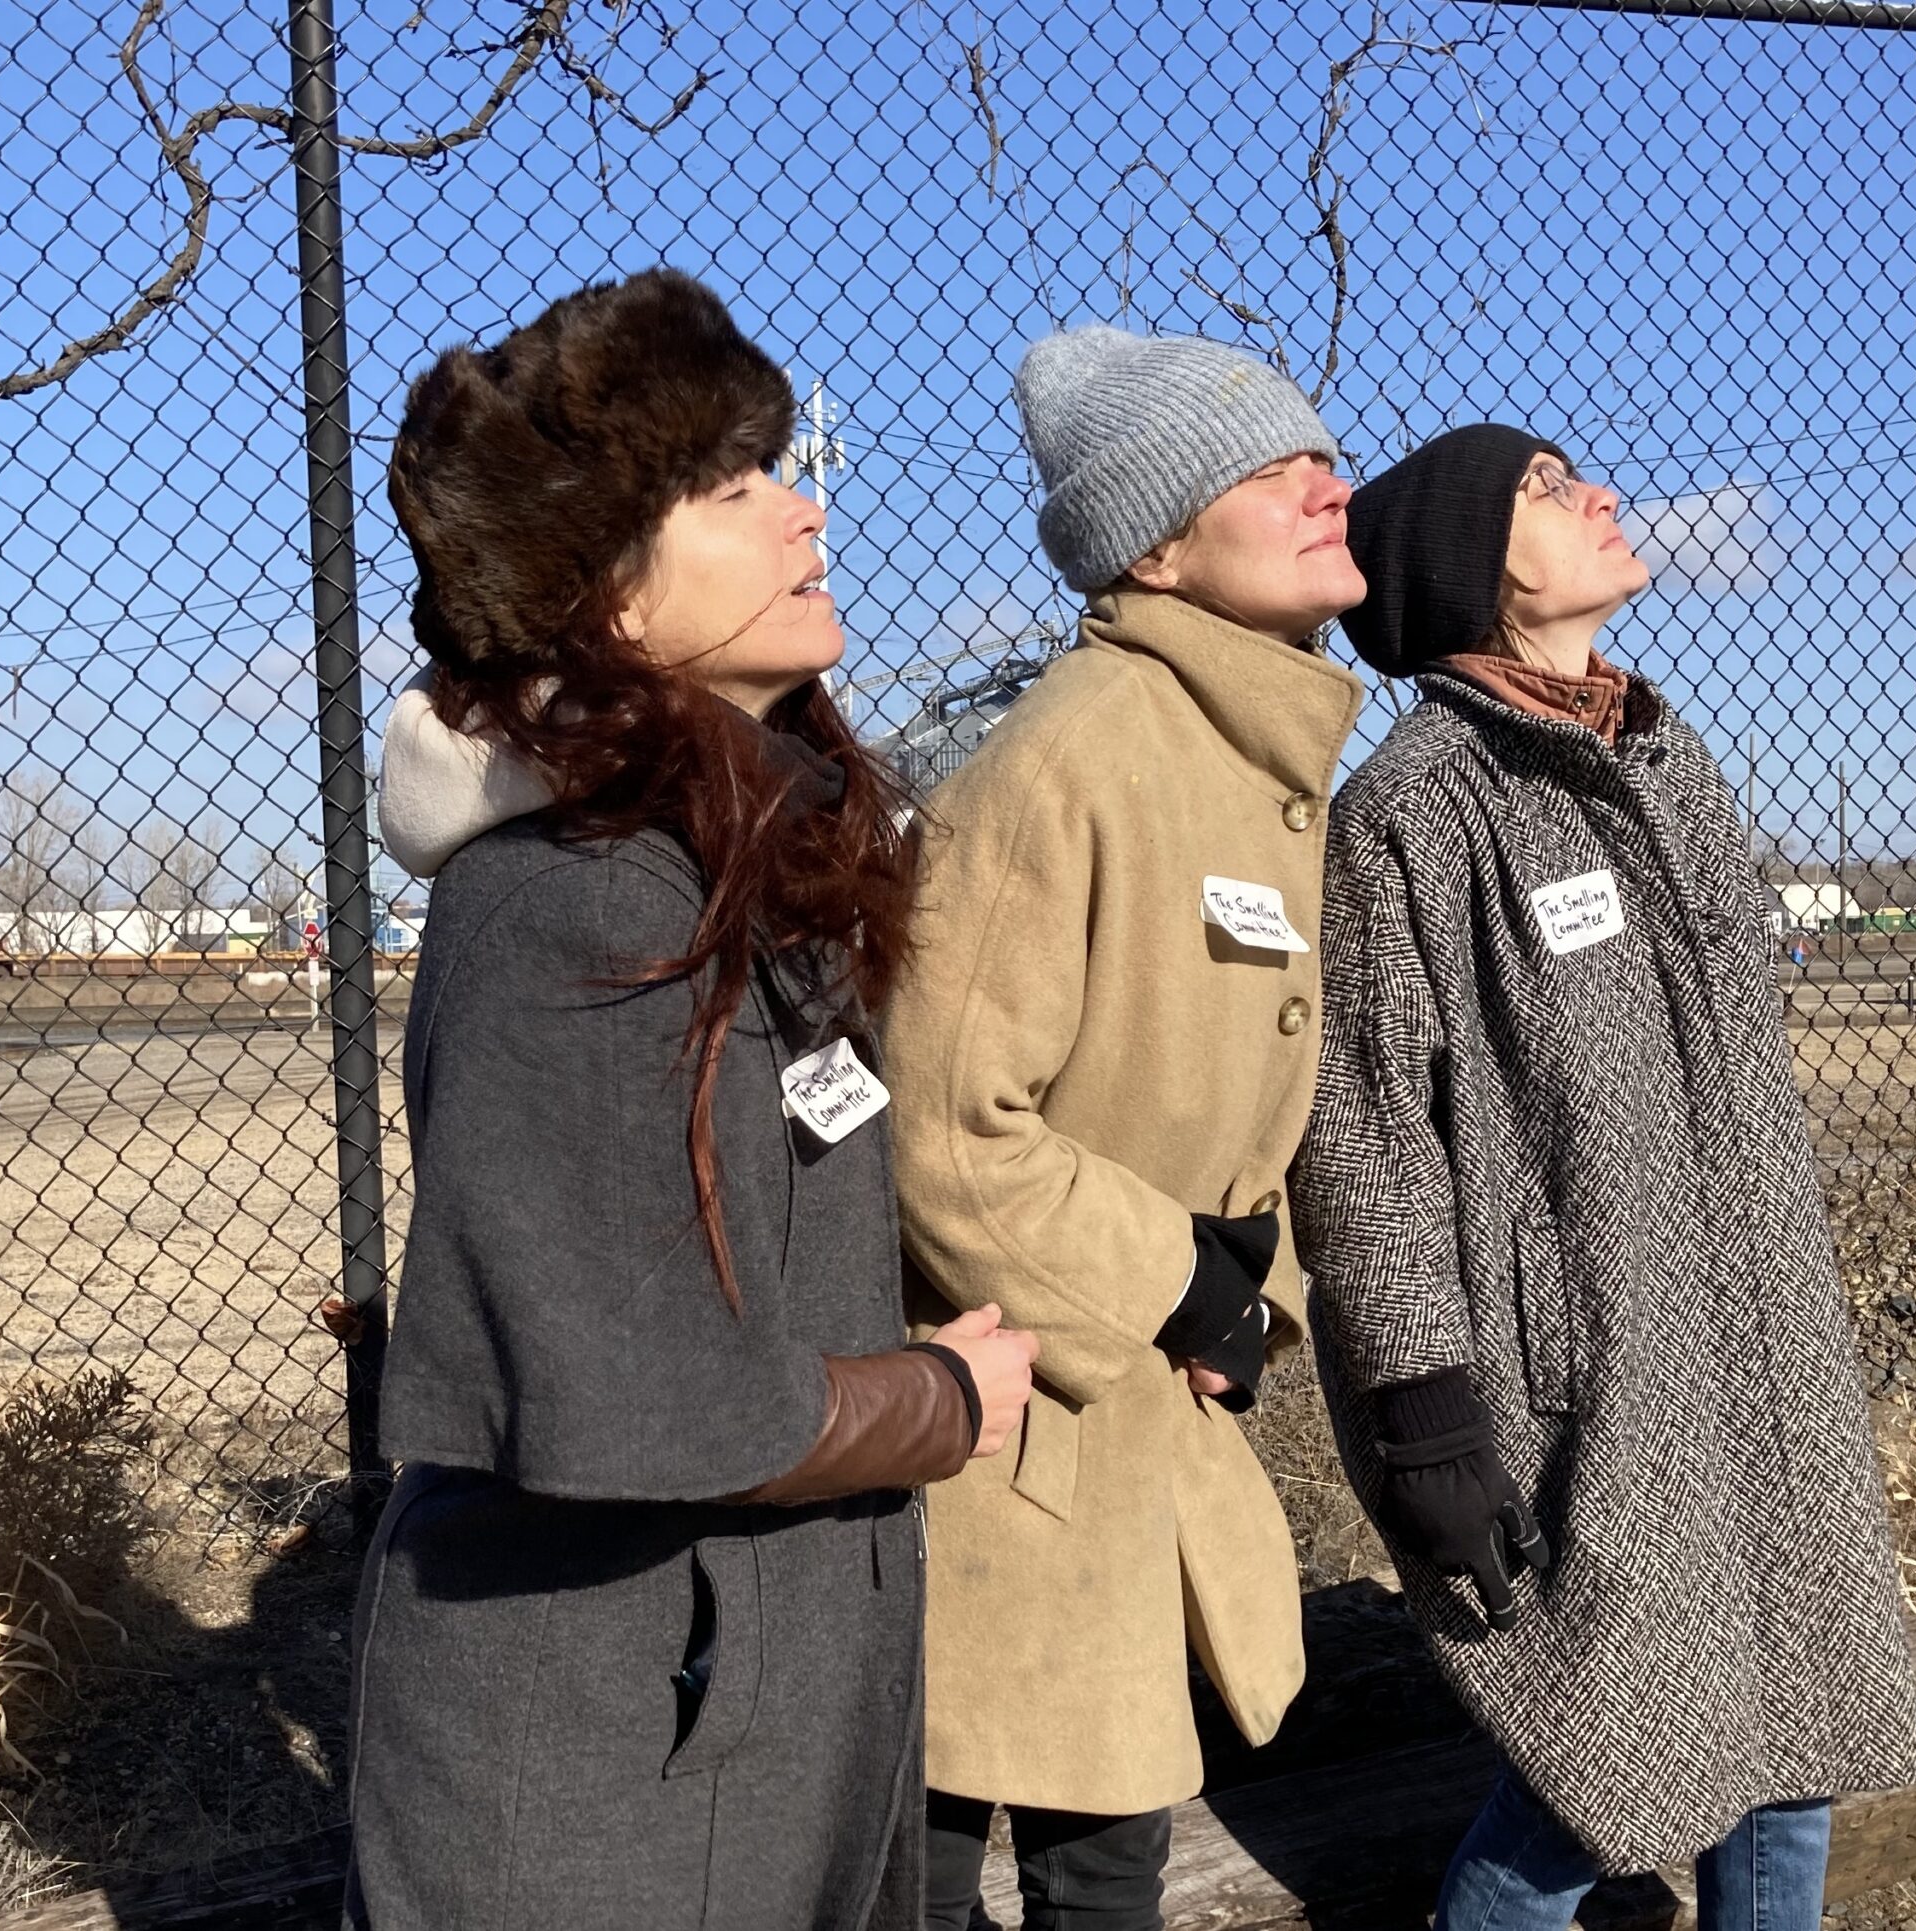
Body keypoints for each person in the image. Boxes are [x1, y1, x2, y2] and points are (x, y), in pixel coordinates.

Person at [341, 267, 1038, 1931]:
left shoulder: (733, 866)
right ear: (608, 597)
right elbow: (638, 1394)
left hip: (744, 1701)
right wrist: (939, 1397)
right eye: (733, 488)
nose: (804, 514)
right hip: (610, 1754)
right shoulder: (578, 909)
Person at [1289, 425, 1916, 1931]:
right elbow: (1360, 1130)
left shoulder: (1665, 757)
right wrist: (1422, 1400)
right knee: (1604, 1765)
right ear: (1470, 569)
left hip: (1755, 1348)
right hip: (1589, 1375)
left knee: (1792, 1733)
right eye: (1548, 487)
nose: (1603, 499)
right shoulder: (1411, 816)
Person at [885, 326, 1367, 1931]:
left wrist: (1254, 1305)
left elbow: (1256, 1113)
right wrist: (1188, 1286)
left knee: (1112, 1863)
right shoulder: (1074, 757)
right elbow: (949, 1134)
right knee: (954, 1865)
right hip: (1019, 1430)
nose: (1327, 482)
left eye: (1324, 453)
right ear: (1155, 548)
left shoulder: (1249, 755)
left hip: (1152, 1404)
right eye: (1270, 469)